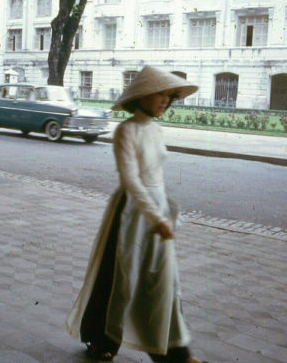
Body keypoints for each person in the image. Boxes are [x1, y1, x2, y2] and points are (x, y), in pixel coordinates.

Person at [66, 66, 207, 363]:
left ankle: (174, 353)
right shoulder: (126, 131)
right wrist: (156, 217)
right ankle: (101, 339)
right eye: (160, 94)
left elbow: (156, 176)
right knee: (118, 278)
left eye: (170, 95)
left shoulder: (156, 129)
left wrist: (164, 211)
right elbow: (131, 180)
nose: (165, 100)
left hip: (157, 212)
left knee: (160, 282)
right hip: (130, 213)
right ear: (142, 96)